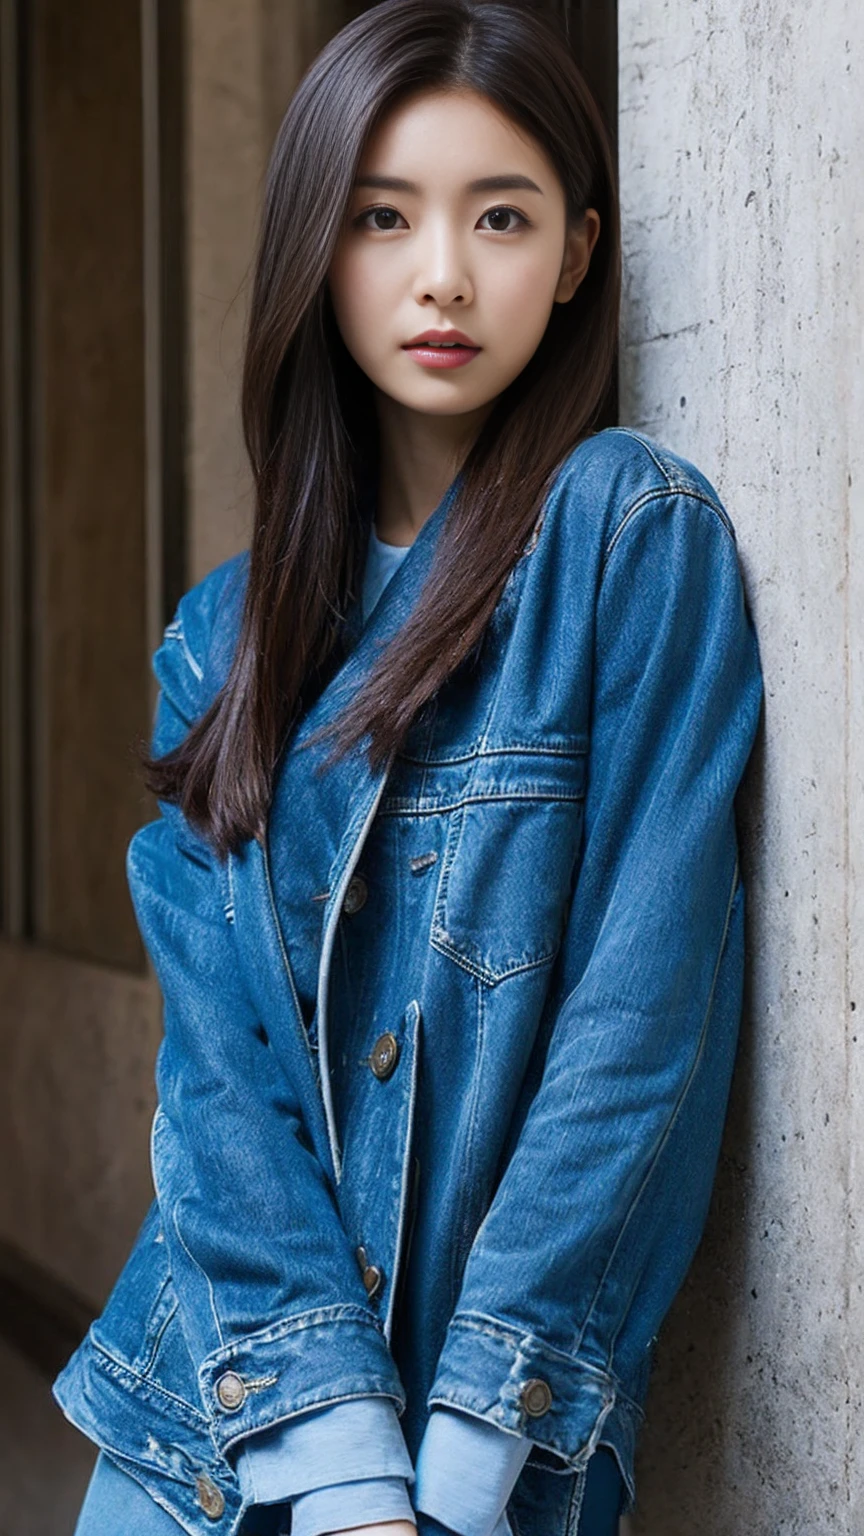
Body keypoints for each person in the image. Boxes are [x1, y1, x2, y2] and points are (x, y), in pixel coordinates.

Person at [55, 2, 764, 1535]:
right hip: (205, 1429)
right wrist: (336, 1461)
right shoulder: (220, 639)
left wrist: (449, 1464)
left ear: (576, 252)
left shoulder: (627, 537)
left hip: (481, 1453)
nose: (442, 273)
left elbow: (640, 1030)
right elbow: (219, 1088)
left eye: (499, 216)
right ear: (320, 246)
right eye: (383, 217)